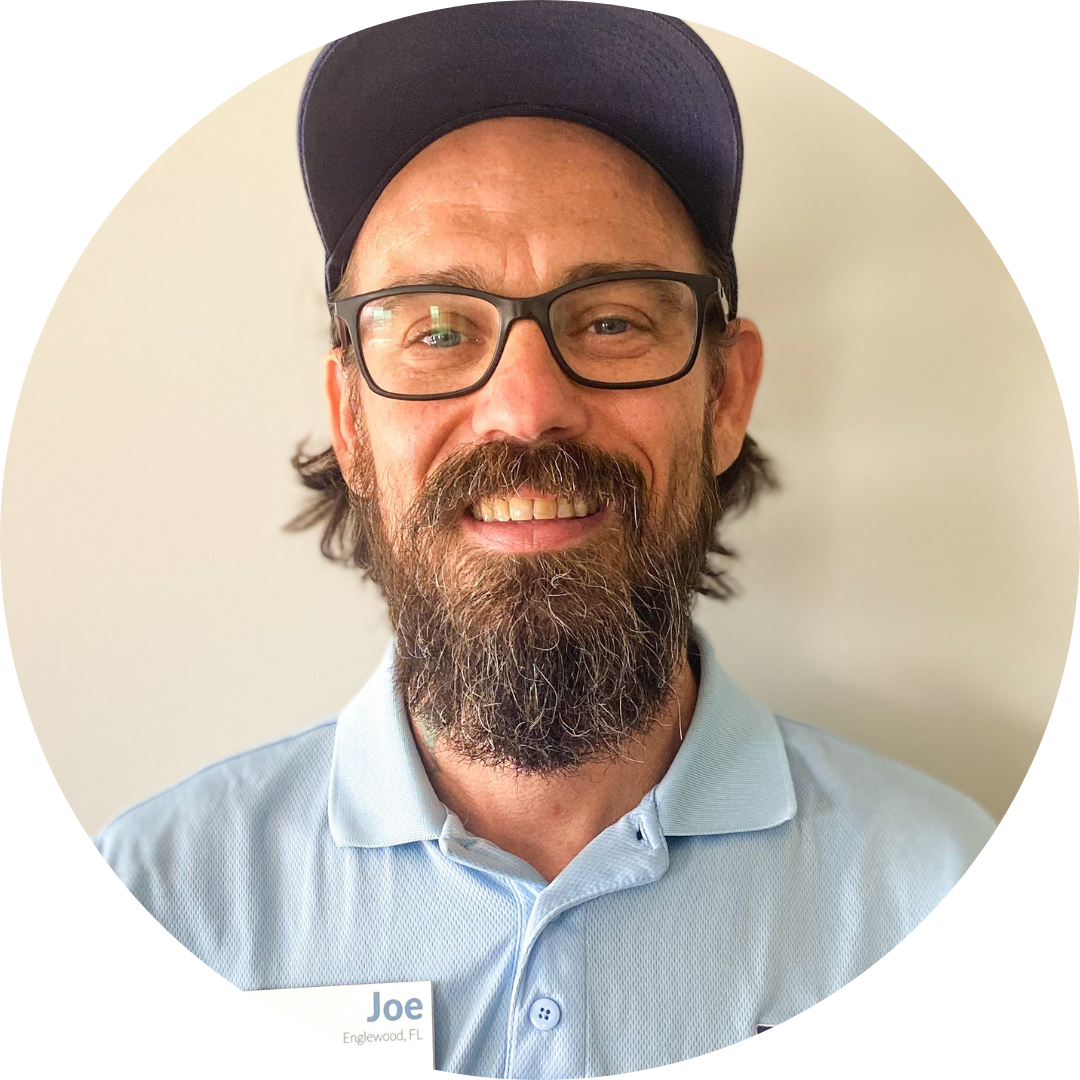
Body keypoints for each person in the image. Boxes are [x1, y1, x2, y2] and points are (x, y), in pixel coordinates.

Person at [96, 4, 995, 1076]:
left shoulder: (949, 902)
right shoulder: (148, 913)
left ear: (725, 396)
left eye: (611, 321)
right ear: (349, 421)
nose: (526, 409)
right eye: (438, 328)